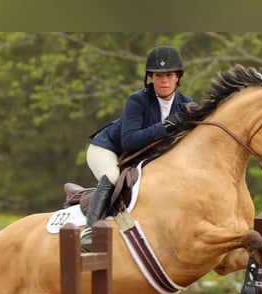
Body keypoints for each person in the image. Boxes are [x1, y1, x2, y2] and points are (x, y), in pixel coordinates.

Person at [81, 45, 194, 251]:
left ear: (178, 77)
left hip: (139, 156)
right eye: (158, 75)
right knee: (112, 176)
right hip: (107, 149)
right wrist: (167, 125)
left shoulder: (186, 104)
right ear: (150, 77)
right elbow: (130, 141)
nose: (164, 80)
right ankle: (91, 231)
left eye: (169, 75)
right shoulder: (137, 100)